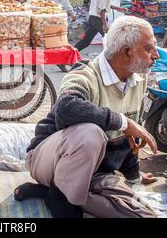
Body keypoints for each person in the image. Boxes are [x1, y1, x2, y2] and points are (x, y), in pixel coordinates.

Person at [18, 16, 159, 218]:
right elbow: (66, 109)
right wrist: (123, 122)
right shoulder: (85, 74)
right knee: (90, 133)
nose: (156, 55)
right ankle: (58, 195)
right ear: (127, 52)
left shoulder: (138, 81)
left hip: (94, 172)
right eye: (149, 49)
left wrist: (134, 176)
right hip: (48, 162)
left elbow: (129, 139)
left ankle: (55, 191)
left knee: (143, 216)